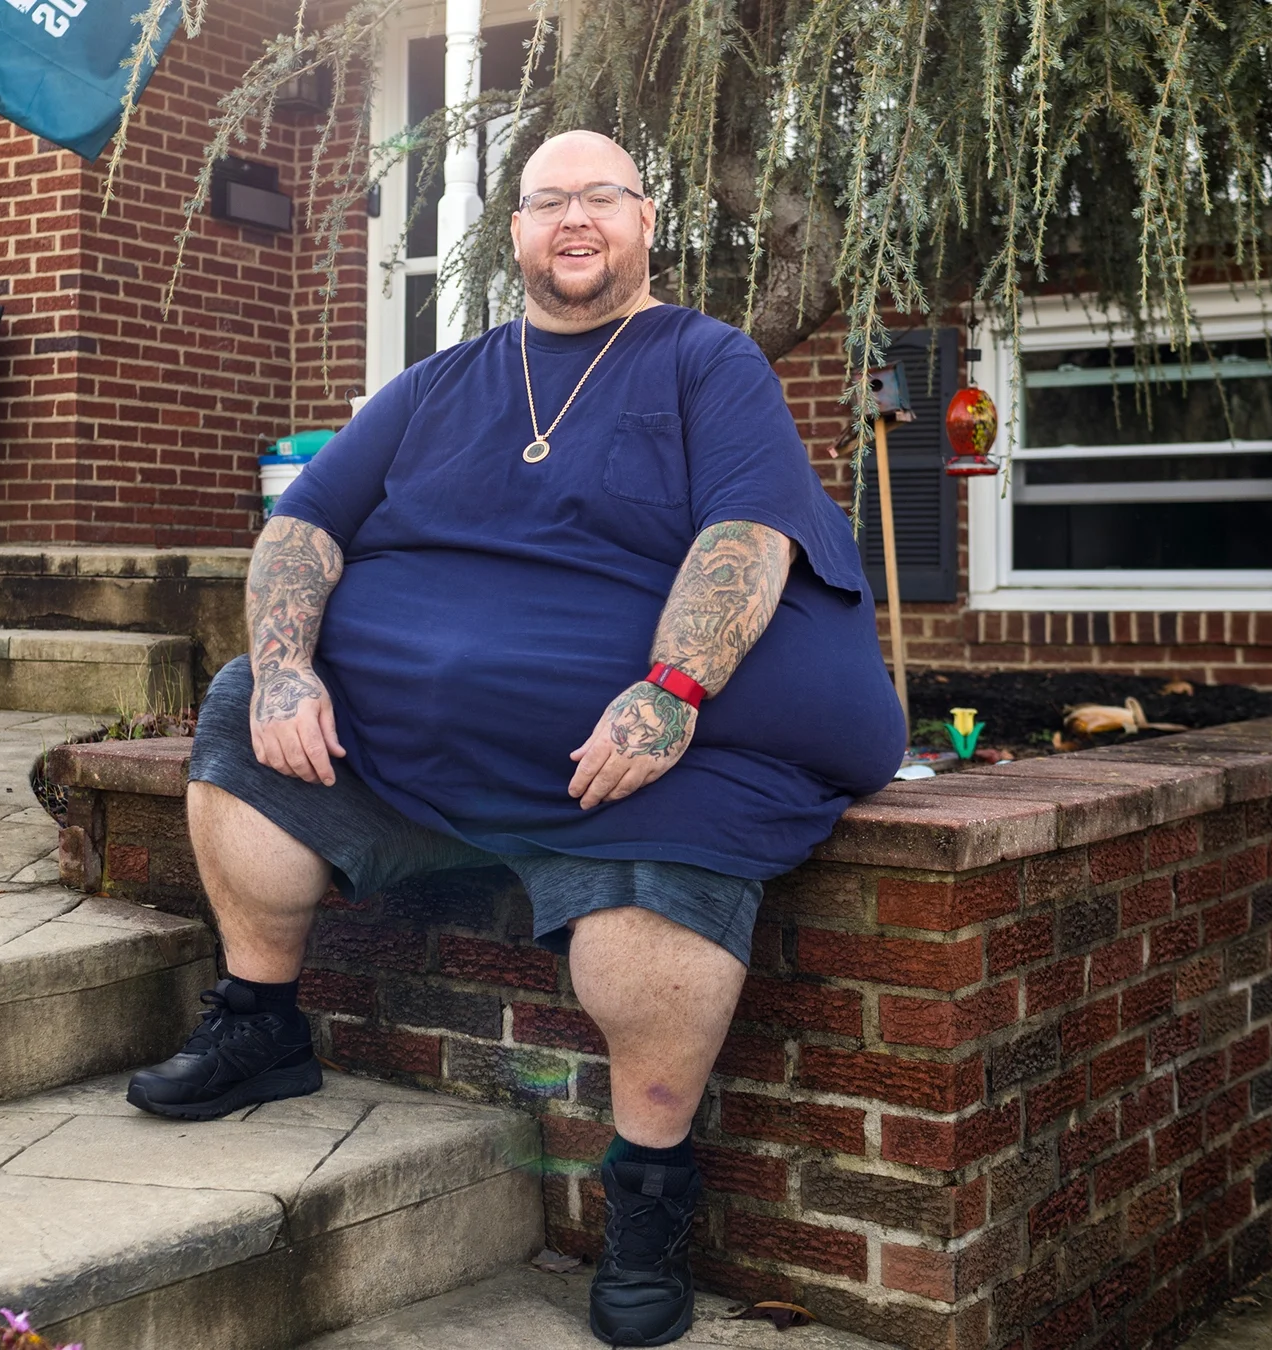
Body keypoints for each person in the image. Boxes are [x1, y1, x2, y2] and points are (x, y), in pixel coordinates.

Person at [126, 129, 904, 1347]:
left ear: (647, 222)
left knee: (667, 876)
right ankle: (259, 1024)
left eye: (604, 196)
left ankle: (647, 1191)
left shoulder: (708, 361)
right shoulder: (443, 381)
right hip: (407, 759)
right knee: (235, 709)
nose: (576, 220)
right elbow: (304, 529)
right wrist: (284, 674)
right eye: (548, 201)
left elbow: (746, 538)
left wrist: (670, 692)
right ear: (517, 234)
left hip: (624, 764)